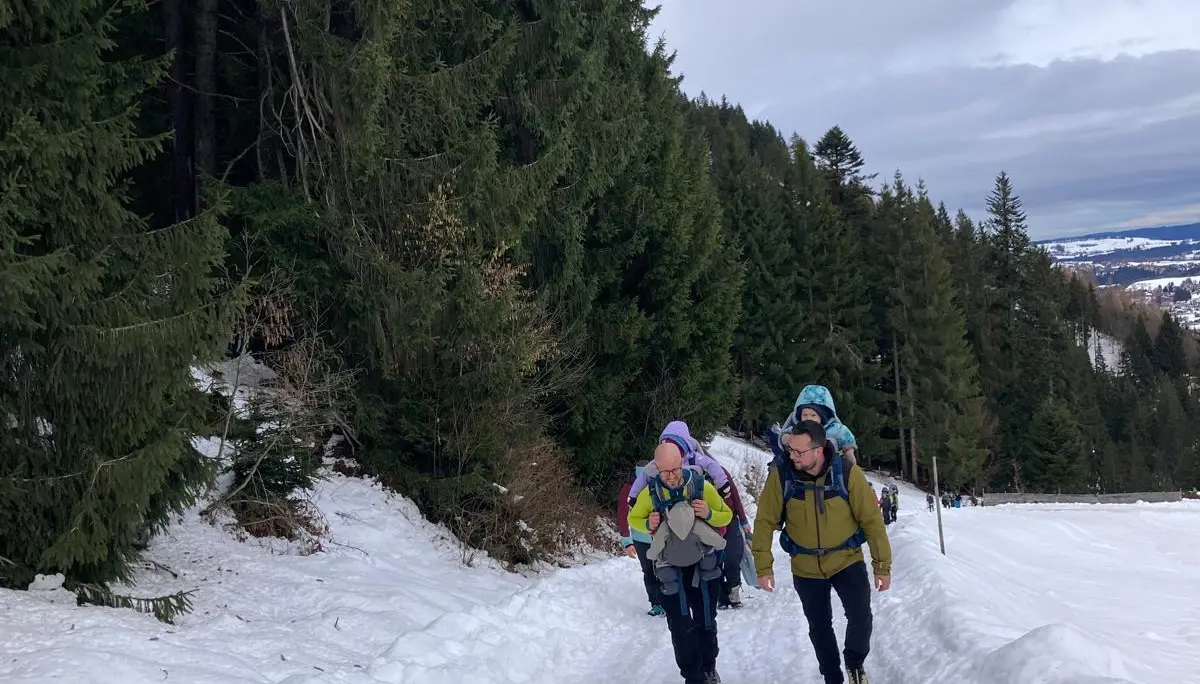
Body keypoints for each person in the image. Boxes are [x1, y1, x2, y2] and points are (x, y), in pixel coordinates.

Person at [751, 420, 892, 684]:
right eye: (790, 450)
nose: (791, 455)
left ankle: (855, 663)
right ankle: (831, 675)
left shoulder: (846, 472)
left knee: (861, 617)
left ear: (818, 450)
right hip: (805, 565)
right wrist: (763, 566)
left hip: (846, 560)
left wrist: (882, 565)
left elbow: (872, 520)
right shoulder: (782, 473)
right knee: (819, 626)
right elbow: (765, 520)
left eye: (798, 452)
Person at [629, 439, 734, 684]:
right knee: (679, 627)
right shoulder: (650, 493)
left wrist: (708, 513)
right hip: (669, 569)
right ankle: (693, 676)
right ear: (656, 468)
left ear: (683, 462)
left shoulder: (701, 486)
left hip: (703, 566)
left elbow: (725, 517)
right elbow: (633, 518)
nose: (672, 476)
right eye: (665, 471)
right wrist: (648, 524)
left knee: (706, 621)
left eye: (676, 469)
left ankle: (709, 668)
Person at [630, 420, 732, 500]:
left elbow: (711, 464)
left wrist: (722, 483)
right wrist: (633, 495)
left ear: (684, 447)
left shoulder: (694, 458)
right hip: (667, 502)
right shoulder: (660, 461)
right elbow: (645, 474)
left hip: (695, 499)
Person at [618, 465, 664, 616]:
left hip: (641, 537)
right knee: (663, 569)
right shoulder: (659, 480)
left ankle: (658, 604)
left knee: (650, 571)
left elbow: (622, 513)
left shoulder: (630, 485)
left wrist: (627, 540)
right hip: (657, 536)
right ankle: (664, 602)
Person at [782, 385, 859, 463]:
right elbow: (787, 433)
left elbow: (845, 436)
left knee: (831, 442)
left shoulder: (833, 429)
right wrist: (787, 438)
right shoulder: (798, 428)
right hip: (800, 465)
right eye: (805, 415)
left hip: (829, 465)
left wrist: (849, 452)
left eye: (813, 415)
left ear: (822, 417)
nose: (809, 418)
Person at [716, 465, 752, 610]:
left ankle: (734, 592)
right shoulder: (695, 474)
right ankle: (720, 595)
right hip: (710, 522)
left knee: (733, 557)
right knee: (714, 560)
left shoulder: (720, 471)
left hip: (730, 519)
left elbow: (735, 496)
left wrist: (743, 520)